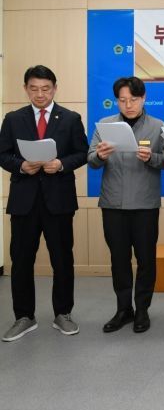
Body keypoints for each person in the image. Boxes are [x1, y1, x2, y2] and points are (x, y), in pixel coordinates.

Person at [0, 65, 88, 342]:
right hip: (24, 201)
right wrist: (20, 165)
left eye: (45, 89)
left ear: (55, 88)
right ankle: (24, 317)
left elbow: (82, 152)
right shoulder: (13, 119)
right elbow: (2, 154)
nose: (40, 94)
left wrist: (61, 164)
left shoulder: (70, 118)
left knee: (62, 259)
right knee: (21, 260)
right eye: (34, 89)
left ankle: (63, 313)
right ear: (25, 89)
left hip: (58, 201)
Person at [88, 76, 164, 333]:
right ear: (117, 101)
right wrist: (100, 155)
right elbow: (91, 159)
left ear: (143, 98)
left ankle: (142, 310)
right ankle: (124, 309)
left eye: (133, 100)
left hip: (145, 204)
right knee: (119, 259)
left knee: (146, 260)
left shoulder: (158, 126)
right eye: (123, 100)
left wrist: (152, 158)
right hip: (113, 203)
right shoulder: (105, 125)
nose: (128, 105)